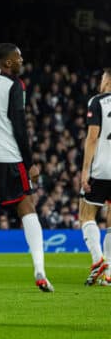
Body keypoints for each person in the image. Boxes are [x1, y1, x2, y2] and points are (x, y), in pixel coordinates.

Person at [0, 43, 53, 293]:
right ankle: (40, 270)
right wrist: (30, 163)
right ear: (7, 63)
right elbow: (19, 127)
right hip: (8, 157)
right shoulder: (14, 86)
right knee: (27, 208)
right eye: (18, 57)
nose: (21, 60)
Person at [79, 68, 111, 286]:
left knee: (86, 214)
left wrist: (84, 170)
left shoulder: (98, 101)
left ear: (107, 80)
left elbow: (92, 137)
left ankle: (98, 259)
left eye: (102, 78)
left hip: (101, 169)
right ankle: (109, 272)